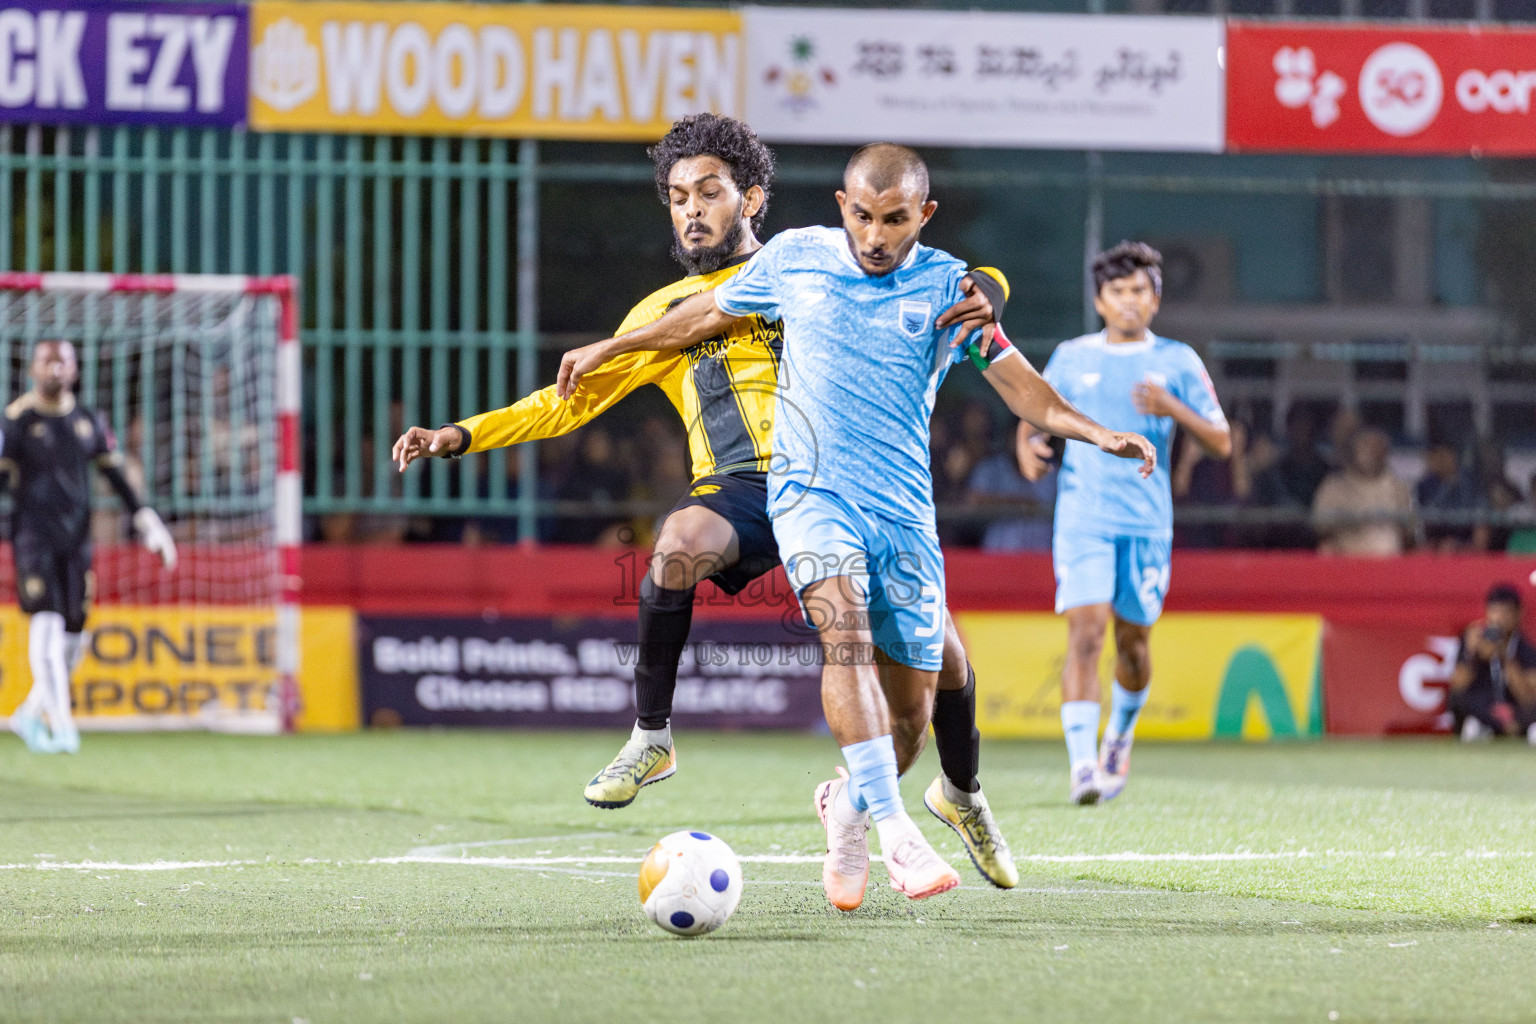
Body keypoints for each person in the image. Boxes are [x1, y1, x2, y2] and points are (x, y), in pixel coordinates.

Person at [394, 119, 1024, 893]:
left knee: (935, 684)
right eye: (677, 198)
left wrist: (991, 286)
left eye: (708, 193)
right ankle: (652, 735)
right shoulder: (664, 314)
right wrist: (460, 434)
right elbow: (564, 403)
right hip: (739, 494)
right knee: (677, 544)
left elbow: (959, 277)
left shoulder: (818, 264)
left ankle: (961, 795)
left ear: (752, 196)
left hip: (846, 482)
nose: (690, 210)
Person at [557, 143, 1155, 908]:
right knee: (841, 635)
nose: (876, 236)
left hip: (902, 512)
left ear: (923, 216)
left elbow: (1019, 384)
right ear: (842, 207)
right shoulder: (797, 259)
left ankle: (854, 809)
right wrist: (615, 346)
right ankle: (900, 835)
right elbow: (701, 312)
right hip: (810, 495)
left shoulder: (948, 286)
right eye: (864, 217)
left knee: (916, 714)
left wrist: (1098, 432)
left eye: (896, 219)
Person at [1017, 241, 1232, 805]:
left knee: (1133, 646)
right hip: (1083, 518)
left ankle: (1120, 735)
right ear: (1100, 301)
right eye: (1118, 292)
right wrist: (1026, 444)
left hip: (1146, 522)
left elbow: (1222, 441)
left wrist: (1173, 408)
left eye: (1139, 290)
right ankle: (1083, 767)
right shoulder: (1071, 355)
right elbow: (1037, 408)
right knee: (1085, 634)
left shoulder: (1178, 361)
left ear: (1155, 299)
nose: (1129, 301)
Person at [0, 340, 177, 753]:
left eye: (63, 360)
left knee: (74, 636)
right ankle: (63, 726)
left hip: (77, 541)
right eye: (47, 360)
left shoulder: (88, 421)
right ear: (33, 369)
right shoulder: (15, 421)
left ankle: (29, 715)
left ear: (75, 369)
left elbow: (115, 476)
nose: (55, 368)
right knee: (45, 624)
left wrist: (145, 518)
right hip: (32, 539)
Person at [1447, 584, 1536, 743]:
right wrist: (1471, 654)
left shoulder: (1526, 649)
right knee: (1459, 700)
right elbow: (1457, 686)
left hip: (1514, 710)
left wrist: (1504, 658)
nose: (1498, 619)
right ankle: (1484, 728)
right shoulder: (1474, 639)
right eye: (1494, 611)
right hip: (1484, 710)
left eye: (1505, 612)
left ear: (1518, 614)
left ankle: (1517, 729)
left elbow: (1528, 697)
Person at [1311, 427, 1415, 556]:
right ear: (1353, 450)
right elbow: (1320, 525)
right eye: (1365, 445)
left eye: (1376, 446)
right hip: (1346, 560)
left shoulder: (1399, 487)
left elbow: (1411, 532)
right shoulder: (1334, 486)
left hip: (1389, 563)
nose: (1370, 451)